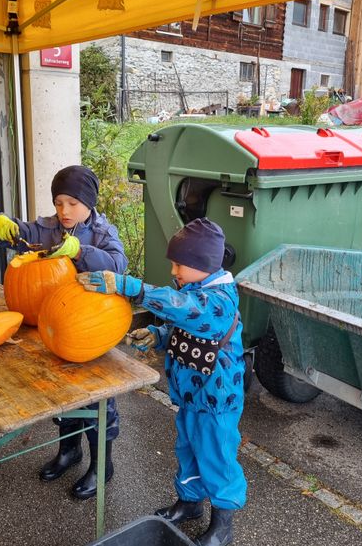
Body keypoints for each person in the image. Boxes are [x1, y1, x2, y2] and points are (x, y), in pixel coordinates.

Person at [76, 218, 246, 546]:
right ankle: (190, 502)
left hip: (217, 403)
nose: (173, 271)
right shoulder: (196, 289)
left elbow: (190, 312)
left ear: (203, 265)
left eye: (179, 264)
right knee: (188, 450)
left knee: (217, 457)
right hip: (191, 396)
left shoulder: (220, 300)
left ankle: (222, 525)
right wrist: (158, 335)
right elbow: (187, 328)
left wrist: (131, 287)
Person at [0, 165, 127, 500]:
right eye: (59, 202)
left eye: (72, 203)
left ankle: (102, 464)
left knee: (98, 398)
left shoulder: (104, 231)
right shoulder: (47, 229)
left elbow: (118, 265)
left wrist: (79, 251)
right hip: (57, 327)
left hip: (94, 328)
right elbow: (18, 233)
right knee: (64, 396)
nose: (64, 211)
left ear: (88, 203)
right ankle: (69, 451)